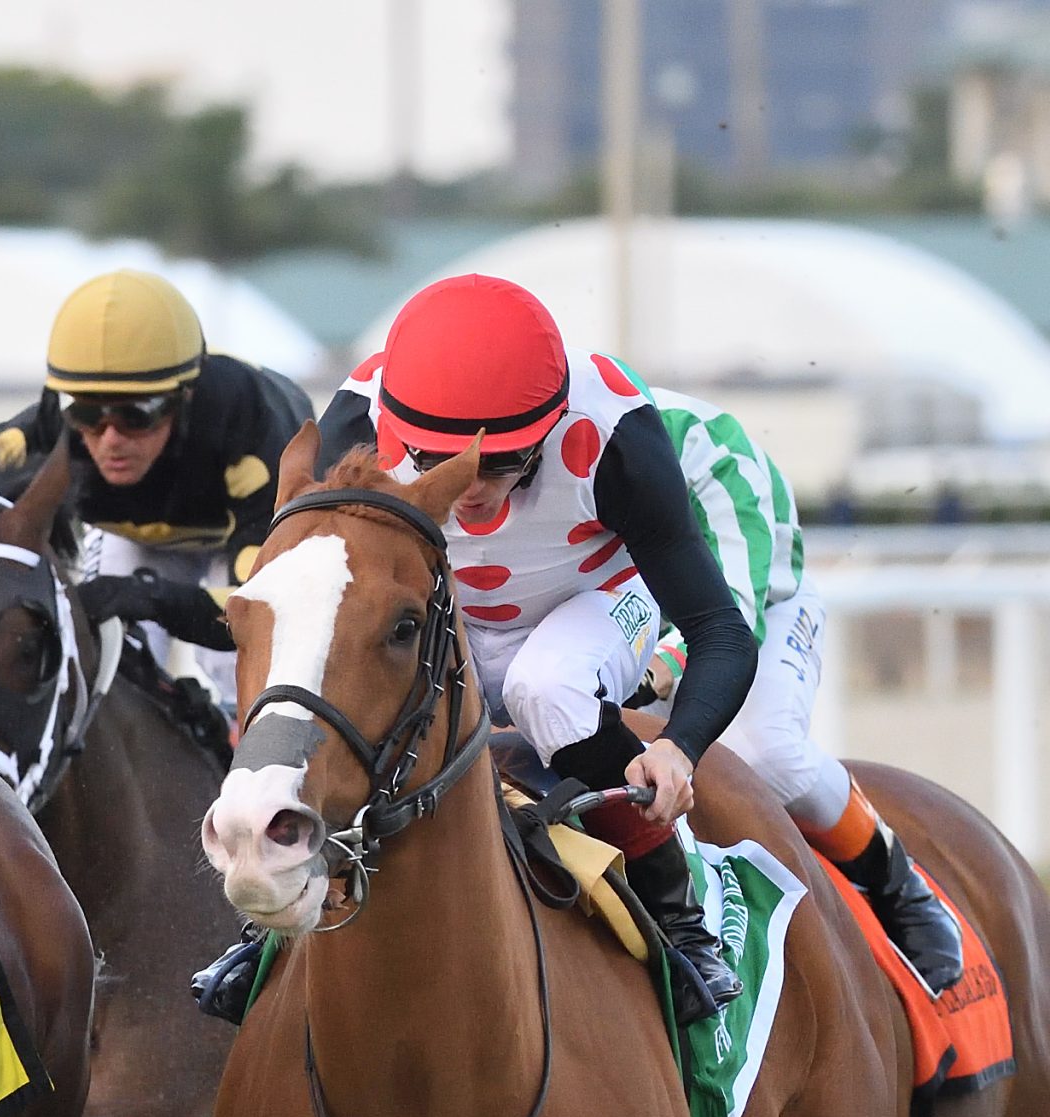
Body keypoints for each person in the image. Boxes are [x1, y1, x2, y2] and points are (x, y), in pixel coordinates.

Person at [317, 273, 961, 1007]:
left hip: (610, 596)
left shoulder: (628, 442)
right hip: (458, 607)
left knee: (710, 736)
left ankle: (731, 909)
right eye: (440, 462)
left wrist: (678, 744)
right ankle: (271, 931)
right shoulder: (353, 427)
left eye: (500, 463)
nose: (472, 489)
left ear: (553, 425)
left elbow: (722, 624)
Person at [0, 269, 311, 706]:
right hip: (132, 536)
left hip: (237, 537)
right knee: (112, 655)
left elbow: (256, 605)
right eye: (87, 414)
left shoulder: (253, 430)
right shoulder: (44, 426)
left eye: (137, 414)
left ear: (185, 398)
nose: (110, 439)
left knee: (231, 663)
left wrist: (149, 596)